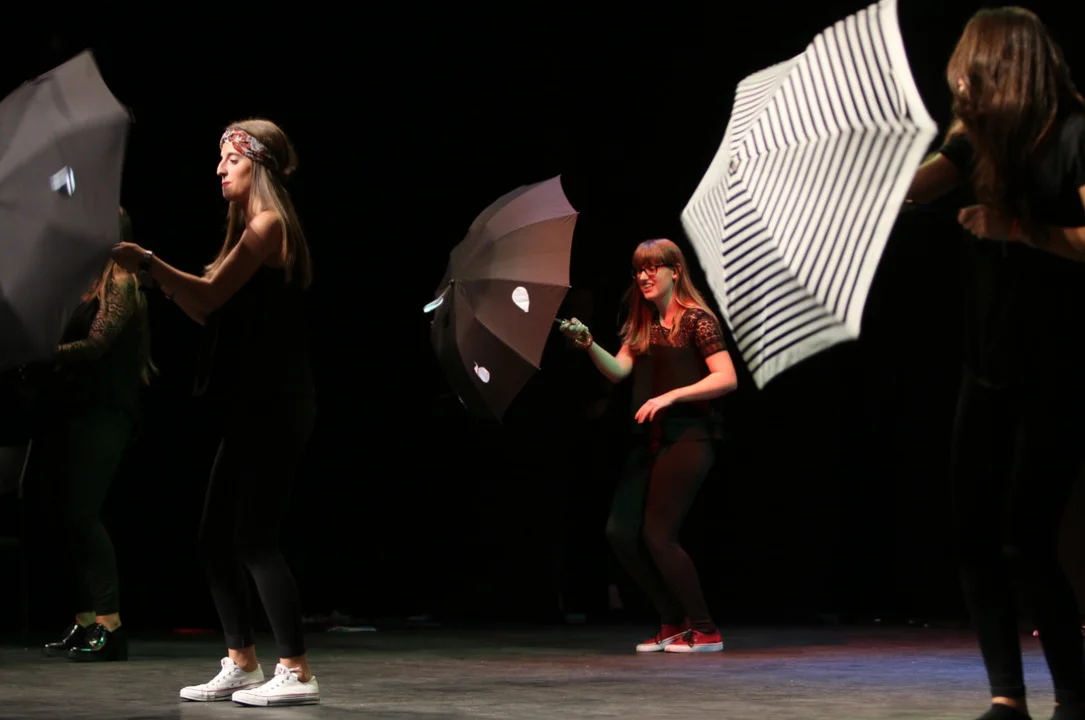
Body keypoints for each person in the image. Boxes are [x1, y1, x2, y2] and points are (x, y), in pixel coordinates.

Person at [906, 8, 1085, 720]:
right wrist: (868, 176)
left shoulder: (1073, 131)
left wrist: (1017, 229)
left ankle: (1073, 694)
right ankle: (1006, 697)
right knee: (973, 533)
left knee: (1026, 538)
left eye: (968, 67)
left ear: (998, 65)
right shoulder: (974, 139)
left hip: (1059, 367)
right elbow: (919, 188)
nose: (959, 80)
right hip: (986, 364)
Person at [111, 119, 319, 706]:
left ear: (258, 163)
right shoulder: (247, 232)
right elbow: (207, 310)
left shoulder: (269, 225)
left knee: (255, 538)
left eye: (231, 158)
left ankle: (297, 671)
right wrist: (157, 276)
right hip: (255, 402)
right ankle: (242, 662)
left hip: (277, 401)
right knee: (214, 536)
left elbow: (206, 295)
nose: (220, 168)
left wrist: (147, 261)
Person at [559, 237, 738, 653]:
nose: (644, 276)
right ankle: (672, 621)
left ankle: (705, 630)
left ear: (675, 271)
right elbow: (619, 370)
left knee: (659, 534)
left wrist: (671, 396)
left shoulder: (697, 320)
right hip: (651, 439)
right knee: (620, 531)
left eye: (652, 268)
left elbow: (726, 377)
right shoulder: (643, 322)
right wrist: (588, 344)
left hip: (690, 437)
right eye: (639, 269)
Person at [34, 207, 155, 662]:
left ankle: (110, 625)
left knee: (84, 513)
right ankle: (86, 620)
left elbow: (98, 343)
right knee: (65, 515)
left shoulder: (121, 281)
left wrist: (45, 352)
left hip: (107, 410)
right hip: (76, 409)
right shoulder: (83, 282)